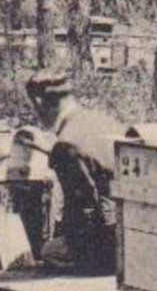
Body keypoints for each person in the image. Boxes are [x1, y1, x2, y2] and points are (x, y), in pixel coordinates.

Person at [18, 71, 124, 274]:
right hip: (131, 231)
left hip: (109, 242)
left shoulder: (66, 144)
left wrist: (64, 237)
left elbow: (84, 208)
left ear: (39, 102)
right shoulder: (102, 120)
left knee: (49, 251)